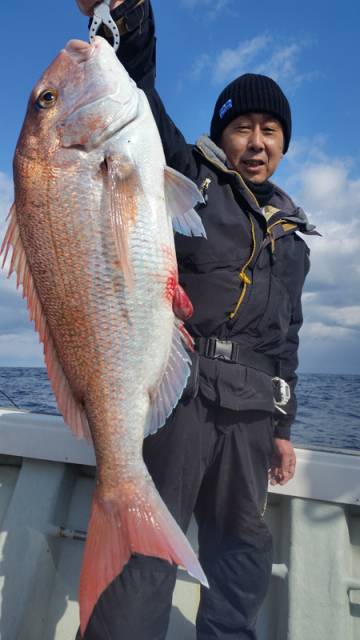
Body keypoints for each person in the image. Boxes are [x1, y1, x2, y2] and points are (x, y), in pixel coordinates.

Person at [75, 2, 317, 638]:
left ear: (285, 144)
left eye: (271, 130)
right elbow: (137, 89)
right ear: (221, 135)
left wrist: (284, 428)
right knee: (146, 551)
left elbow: (285, 341)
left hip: (252, 416)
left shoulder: (294, 242)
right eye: (243, 128)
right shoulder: (187, 177)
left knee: (242, 551)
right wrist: (127, 15)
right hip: (180, 393)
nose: (257, 142)